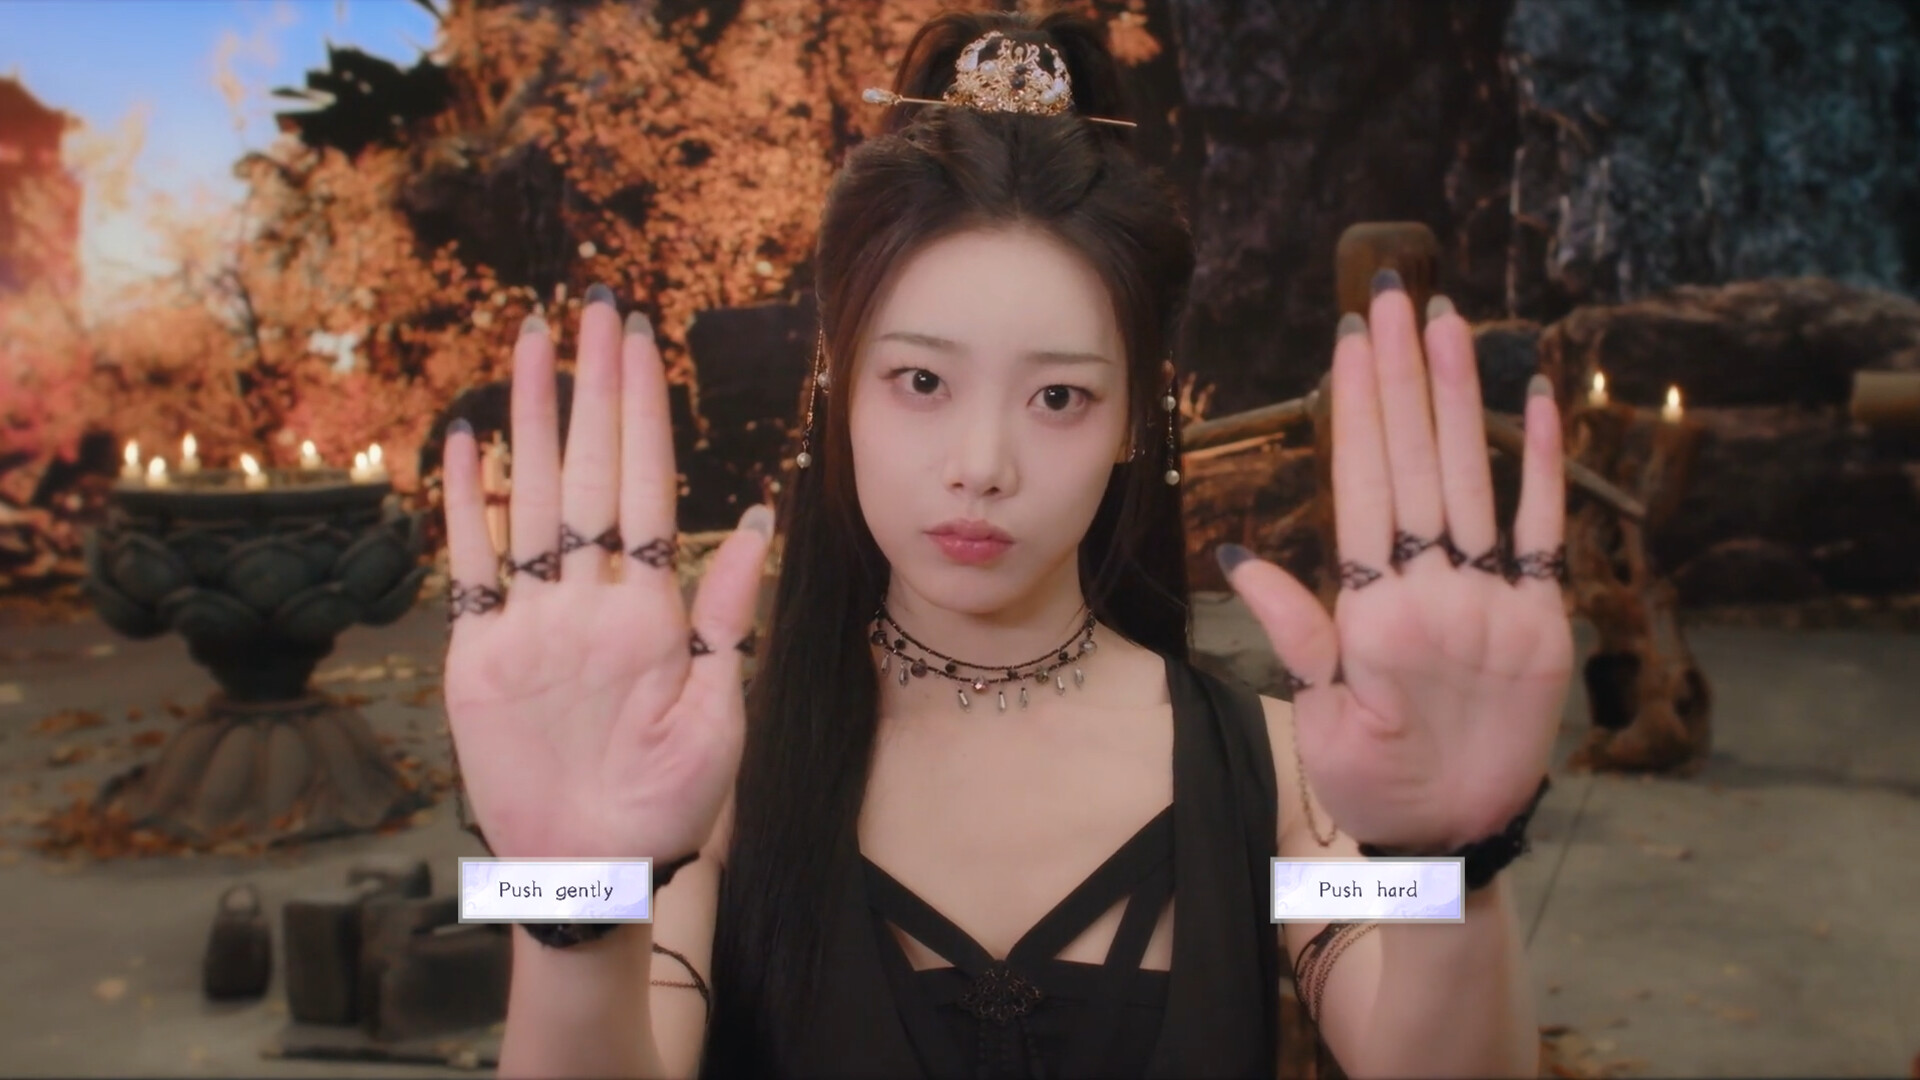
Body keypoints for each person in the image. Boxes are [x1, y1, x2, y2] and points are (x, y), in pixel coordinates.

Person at [437, 8, 1573, 1079]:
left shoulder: (1282, 770)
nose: (981, 464)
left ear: (1136, 419)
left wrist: (1452, 867)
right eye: (921, 381)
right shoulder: (710, 773)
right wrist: (569, 902)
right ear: (838, 389)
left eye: (1059, 398)